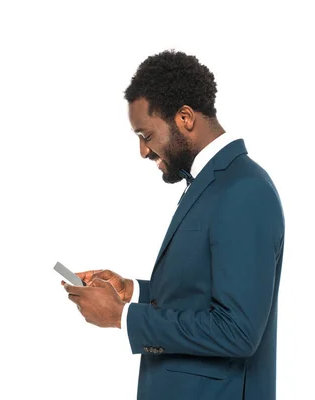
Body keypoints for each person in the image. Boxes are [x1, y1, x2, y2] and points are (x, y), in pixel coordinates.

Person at [61, 50, 285, 400]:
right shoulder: (212, 184)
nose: (143, 151)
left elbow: (238, 330)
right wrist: (133, 291)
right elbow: (201, 295)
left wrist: (124, 317)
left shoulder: (244, 190)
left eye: (146, 135)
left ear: (184, 118)